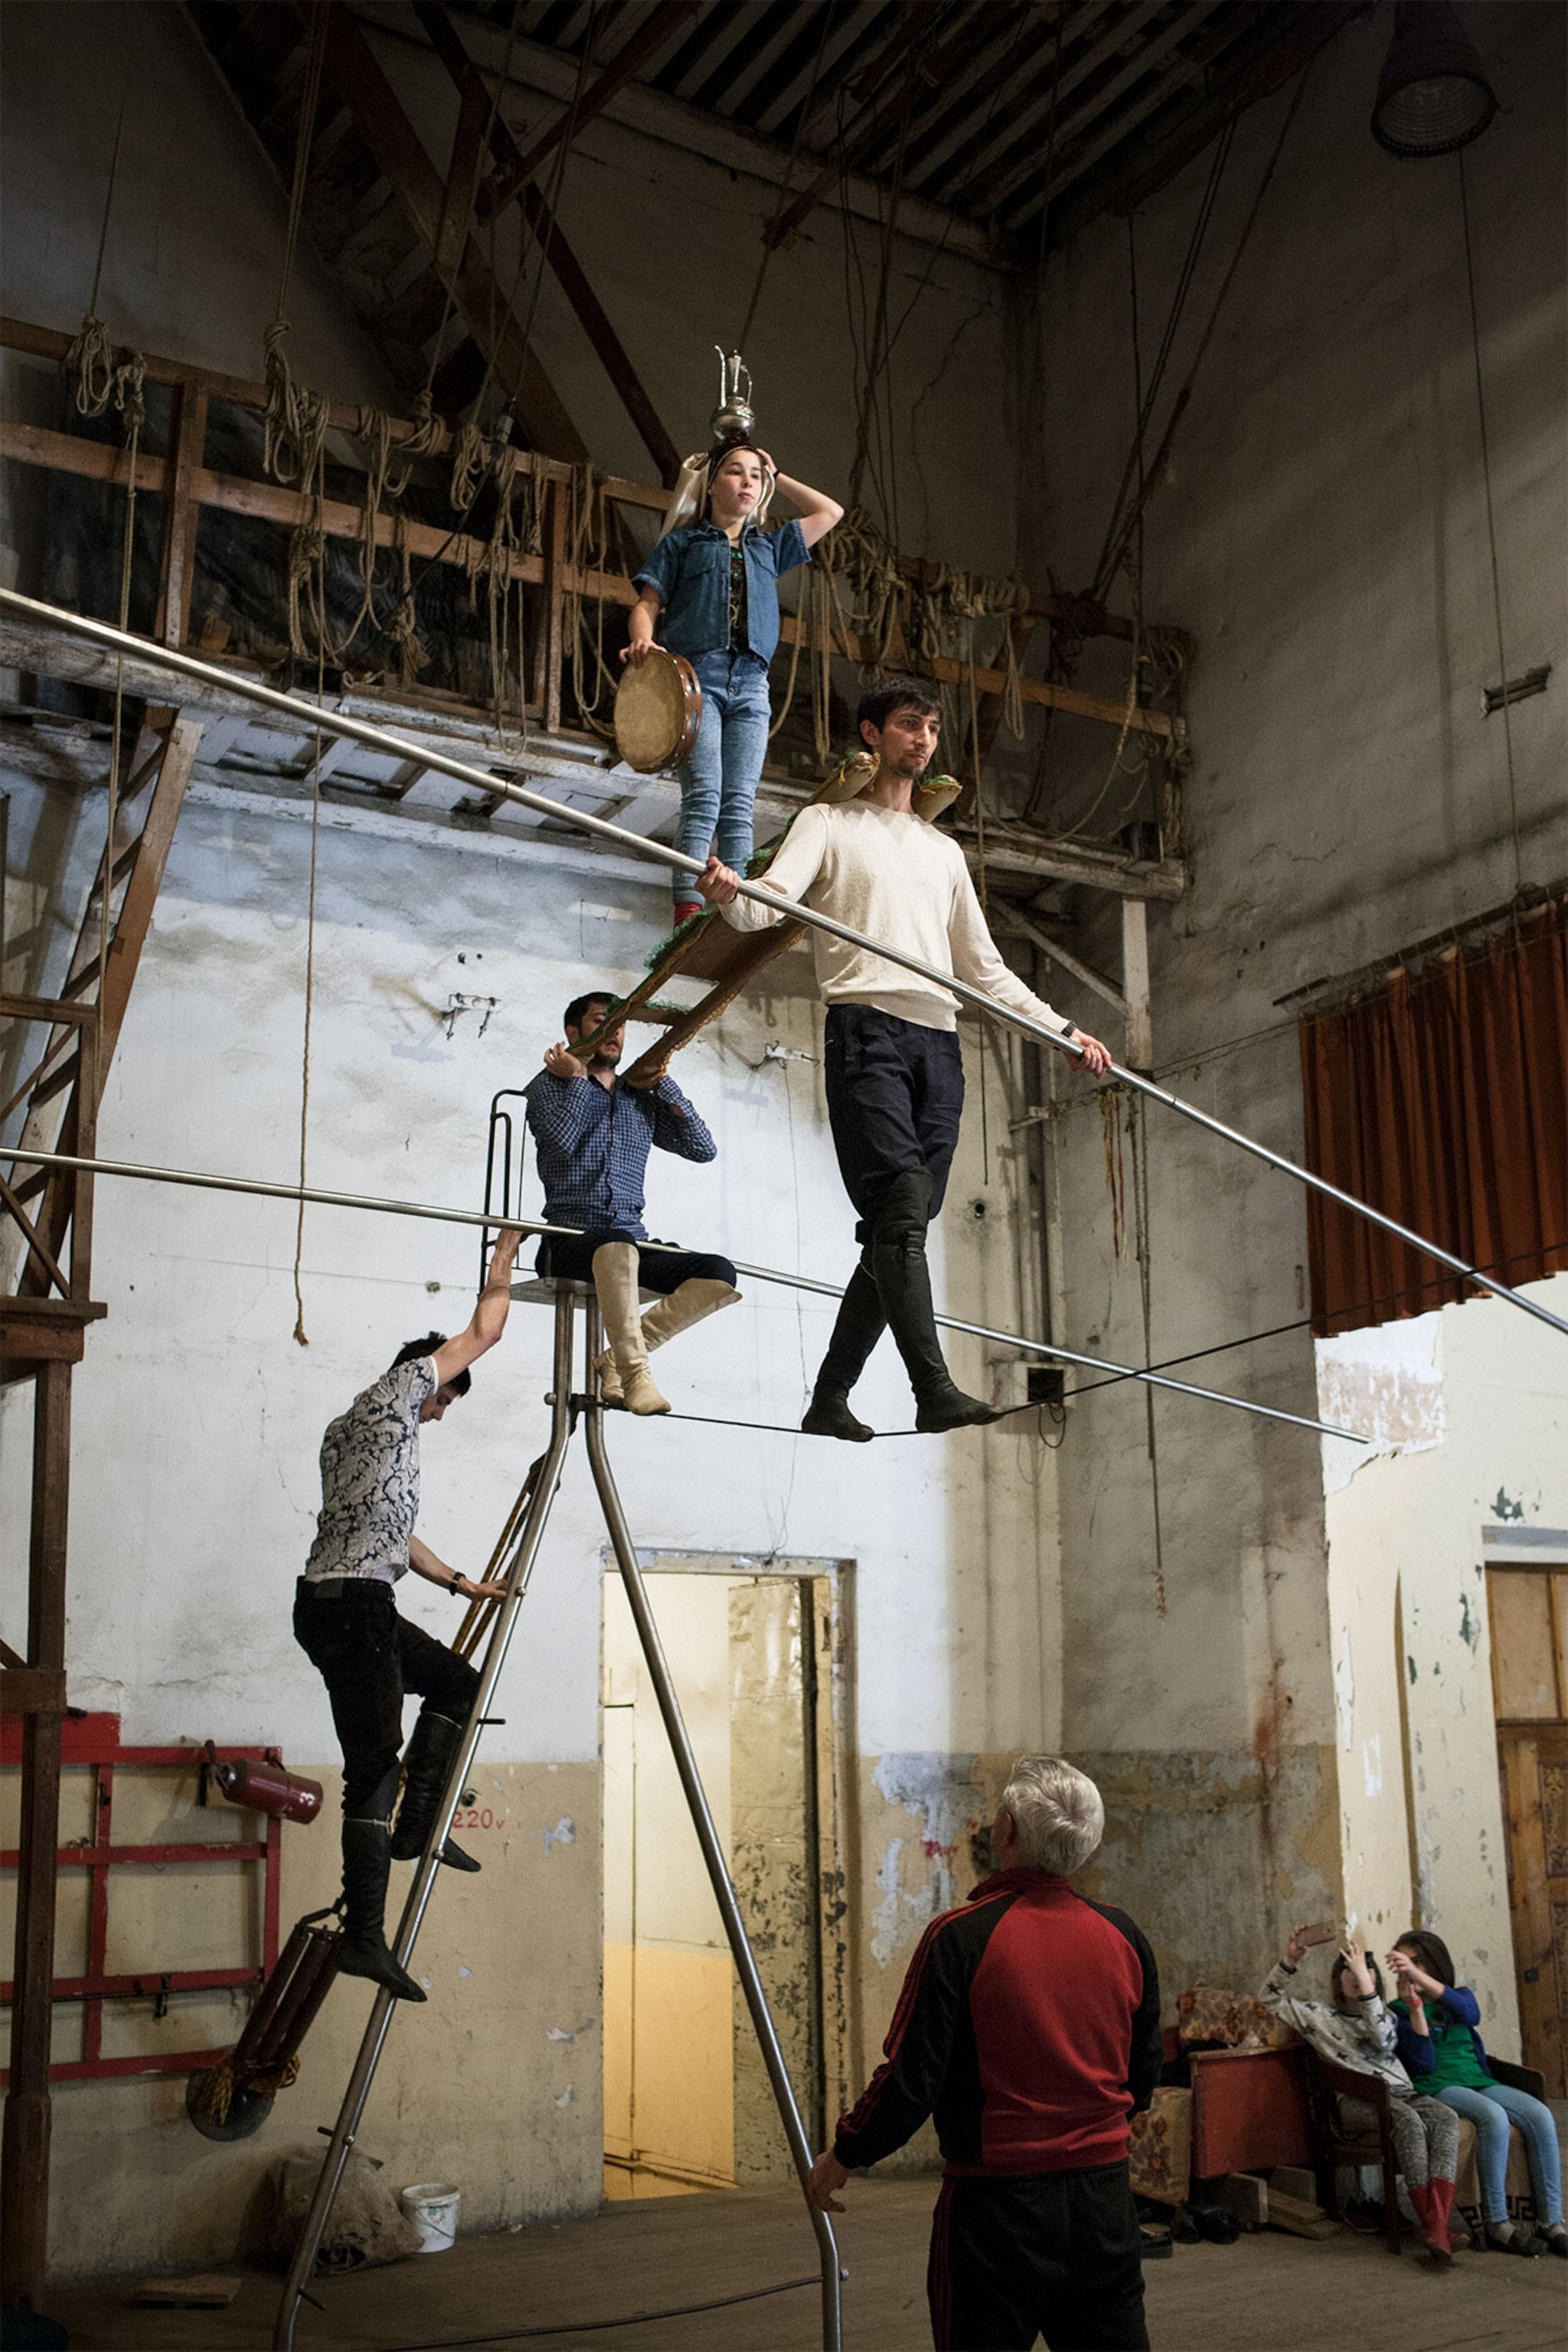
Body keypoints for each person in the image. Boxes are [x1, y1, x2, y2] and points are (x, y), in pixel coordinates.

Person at [698, 678, 1112, 1439]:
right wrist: (728, 890)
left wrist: (1062, 1031)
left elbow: (983, 970)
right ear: (872, 734)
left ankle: (829, 1398)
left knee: (901, 1229)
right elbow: (768, 903)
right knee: (899, 1214)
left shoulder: (942, 852)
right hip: (866, 1028)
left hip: (938, 1044)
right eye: (907, 725)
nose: (922, 738)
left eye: (930, 728)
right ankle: (932, 1388)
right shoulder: (828, 823)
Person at [808, 1756, 1160, 2352]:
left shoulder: (960, 1937)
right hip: (1105, 2202)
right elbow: (1142, 2075)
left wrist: (846, 2151)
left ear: (1006, 1831)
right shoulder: (1123, 1934)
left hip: (996, 2210)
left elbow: (912, 2080)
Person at [293, 1228, 522, 2002]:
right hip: (351, 1609)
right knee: (371, 1769)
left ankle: (420, 1828)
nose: (439, 1415)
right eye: (444, 1399)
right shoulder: (396, 1395)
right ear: (424, 1378)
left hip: (353, 1601)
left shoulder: (346, 1432)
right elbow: (485, 1330)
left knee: (459, 1683)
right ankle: (364, 1938)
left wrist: (461, 1584)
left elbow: (390, 1529)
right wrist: (507, 1253)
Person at [623, 441, 841, 929]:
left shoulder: (770, 546)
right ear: (710, 484)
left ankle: (733, 912)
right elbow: (646, 606)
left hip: (752, 683)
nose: (748, 481)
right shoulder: (682, 545)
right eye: (735, 472)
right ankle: (687, 912)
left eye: (756, 476)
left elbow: (830, 511)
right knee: (704, 795)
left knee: (739, 801)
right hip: (697, 679)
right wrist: (643, 644)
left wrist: (777, 472)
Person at [523, 990, 738, 1416]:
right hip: (567, 1241)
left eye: (621, 1025)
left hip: (628, 1245)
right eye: (603, 1021)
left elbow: (703, 1149)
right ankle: (636, 1374)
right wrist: (579, 1079)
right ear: (573, 1032)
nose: (615, 1033)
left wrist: (662, 1083)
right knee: (617, 1242)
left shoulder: (637, 1097)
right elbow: (563, 1143)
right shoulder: (547, 1086)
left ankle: (613, 1362)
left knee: (718, 1272)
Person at [1259, 1926, 1461, 2262]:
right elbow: (1268, 1999)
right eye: (1348, 1972)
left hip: (1401, 2093)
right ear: (1338, 1982)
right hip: (1359, 2102)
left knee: (1446, 2117)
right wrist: (1290, 1960)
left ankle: (1435, 2223)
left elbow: (1382, 2039)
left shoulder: (1387, 2015)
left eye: (1365, 1970)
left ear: (1375, 1981)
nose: (1356, 1976)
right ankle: (1436, 2227)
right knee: (1409, 2122)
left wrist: (1368, 1992)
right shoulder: (1320, 2018)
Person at [1387, 1929, 1565, 2257]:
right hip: (1438, 2087)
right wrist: (1414, 2008)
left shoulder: (1457, 1999)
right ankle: (1497, 2223)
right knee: (1492, 2116)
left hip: (1480, 2080)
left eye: (1417, 1962)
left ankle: (1553, 2222)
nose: (1409, 1970)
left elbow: (1472, 2015)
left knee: (1540, 2115)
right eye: (1405, 1964)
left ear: (1434, 1964)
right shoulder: (1397, 2011)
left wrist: (1423, 1984)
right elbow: (1422, 2065)